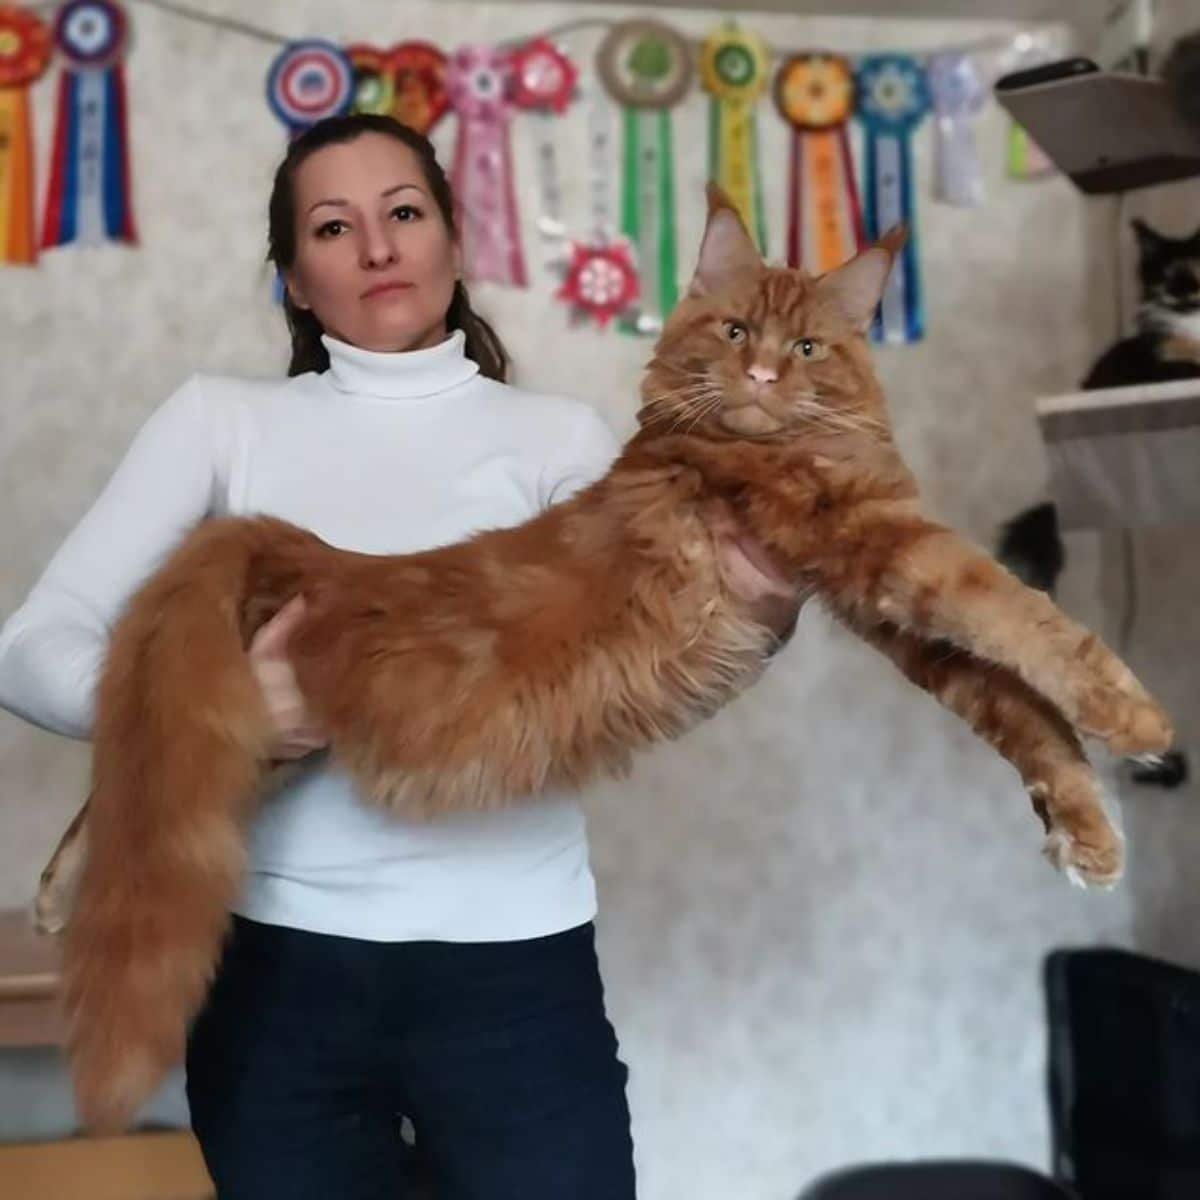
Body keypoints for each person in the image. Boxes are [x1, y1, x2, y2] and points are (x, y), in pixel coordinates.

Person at [0, 114, 800, 1199]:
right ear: (293, 279)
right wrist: (222, 709)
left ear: (453, 245)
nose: (377, 247)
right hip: (279, 986)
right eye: (334, 227)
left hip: (520, 981)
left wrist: (762, 619)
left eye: (404, 213)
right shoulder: (219, 423)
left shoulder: (561, 441)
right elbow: (29, 653)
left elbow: (641, 681)